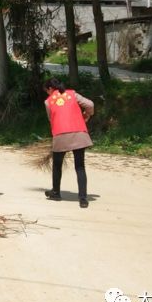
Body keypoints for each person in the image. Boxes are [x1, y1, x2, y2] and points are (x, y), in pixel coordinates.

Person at [43, 77, 94, 208]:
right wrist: (87, 114)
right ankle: (83, 199)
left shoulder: (48, 102)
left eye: (47, 91)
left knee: (57, 165)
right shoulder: (73, 94)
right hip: (79, 133)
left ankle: (56, 192)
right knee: (80, 166)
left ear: (50, 89)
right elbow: (90, 104)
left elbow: (51, 118)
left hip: (61, 134)